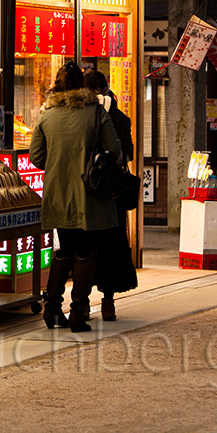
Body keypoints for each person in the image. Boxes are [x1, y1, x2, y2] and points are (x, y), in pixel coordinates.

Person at [30, 61, 122, 332]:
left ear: (57, 86)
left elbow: (36, 157)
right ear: (82, 87)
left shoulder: (47, 115)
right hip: (90, 194)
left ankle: (52, 309)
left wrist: (59, 161)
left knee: (64, 251)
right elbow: (114, 149)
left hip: (58, 192)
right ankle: (78, 313)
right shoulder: (95, 112)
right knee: (86, 252)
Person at [83, 69, 139, 321]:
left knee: (85, 247)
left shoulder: (81, 117)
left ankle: (82, 303)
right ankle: (108, 303)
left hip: (86, 190)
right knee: (112, 246)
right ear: (106, 88)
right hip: (112, 192)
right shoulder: (120, 117)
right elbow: (128, 152)